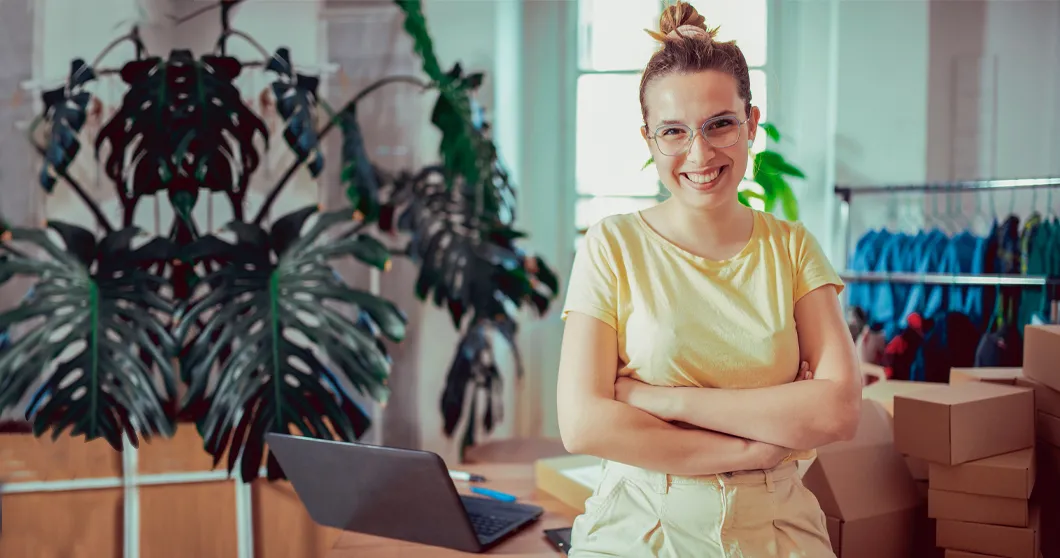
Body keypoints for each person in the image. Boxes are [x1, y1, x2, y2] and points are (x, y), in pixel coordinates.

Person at [555, 3, 862, 557]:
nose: (700, 153)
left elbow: (837, 410)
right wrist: (748, 447)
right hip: (638, 527)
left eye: (719, 124)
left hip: (778, 529)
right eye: (673, 131)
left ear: (750, 123)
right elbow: (584, 425)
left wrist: (660, 400)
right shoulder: (612, 246)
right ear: (649, 138)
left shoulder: (792, 247)